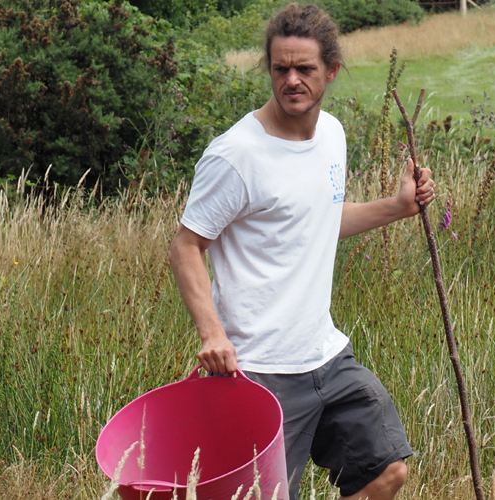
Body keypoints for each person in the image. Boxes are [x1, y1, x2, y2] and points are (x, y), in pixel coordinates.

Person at [168, 3, 435, 499]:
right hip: (259, 370)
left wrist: (397, 207)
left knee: (386, 471)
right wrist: (212, 333)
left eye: (305, 69)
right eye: (280, 68)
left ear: (330, 71)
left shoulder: (331, 134)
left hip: (326, 355)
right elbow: (186, 246)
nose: (292, 80)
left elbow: (316, 220)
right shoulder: (235, 155)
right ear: (269, 69)